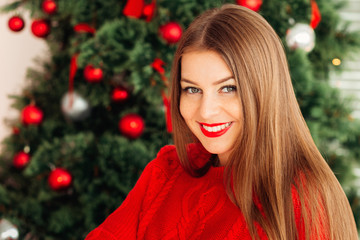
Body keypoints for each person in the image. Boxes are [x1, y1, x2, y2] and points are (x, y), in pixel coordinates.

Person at [85, 4, 358, 240]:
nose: (206, 111)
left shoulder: (303, 200)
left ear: (265, 89)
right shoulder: (167, 171)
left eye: (228, 88)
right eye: (192, 89)